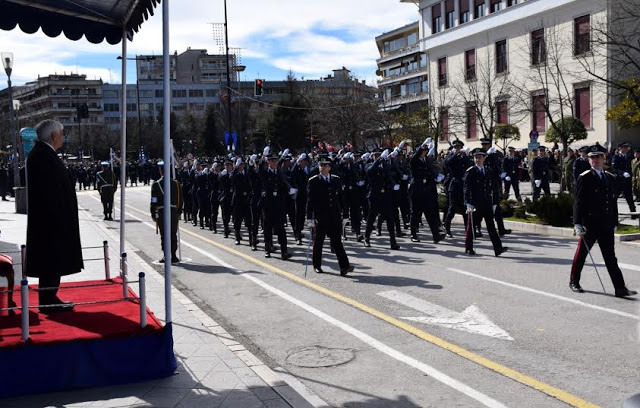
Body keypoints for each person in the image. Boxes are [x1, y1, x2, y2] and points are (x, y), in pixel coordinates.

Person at [26, 119, 83, 313]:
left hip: (52, 219)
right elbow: (49, 190)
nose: (62, 138)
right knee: (50, 261)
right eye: (61, 134)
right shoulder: (42, 156)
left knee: (53, 261)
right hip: (50, 221)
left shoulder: (44, 154)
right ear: (53, 136)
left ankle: (50, 297)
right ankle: (48, 300)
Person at [570, 145, 637, 298]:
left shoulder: (610, 177)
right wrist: (577, 223)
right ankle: (574, 281)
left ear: (604, 158)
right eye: (592, 157)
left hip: (606, 224)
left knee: (611, 258)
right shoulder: (584, 177)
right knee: (581, 254)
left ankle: (620, 288)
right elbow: (578, 201)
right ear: (588, 160)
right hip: (589, 224)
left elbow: (612, 202)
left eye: (599, 157)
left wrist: (614, 223)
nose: (596, 160)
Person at [306, 155, 354, 276]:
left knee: (337, 242)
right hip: (320, 217)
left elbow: (341, 199)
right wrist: (310, 219)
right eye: (321, 165)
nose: (323, 167)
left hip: (334, 216)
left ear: (329, 167)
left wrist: (345, 214)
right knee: (319, 242)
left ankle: (344, 266)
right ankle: (317, 265)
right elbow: (310, 202)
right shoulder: (314, 181)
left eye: (325, 165)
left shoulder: (336, 180)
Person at [463, 148, 508, 257]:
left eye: (480, 157)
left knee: (491, 226)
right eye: (476, 157)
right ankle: (469, 248)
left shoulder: (487, 171)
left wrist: (494, 203)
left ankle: (498, 248)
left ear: (484, 158)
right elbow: (466, 189)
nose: (478, 159)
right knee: (471, 227)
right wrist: (468, 203)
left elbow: (492, 188)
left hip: (486, 203)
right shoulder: (471, 171)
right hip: (475, 204)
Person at [150, 161, 182, 264]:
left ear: (160, 171)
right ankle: (173, 255)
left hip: (162, 211)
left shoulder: (156, 184)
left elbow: (154, 200)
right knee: (173, 233)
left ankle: (166, 255)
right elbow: (180, 199)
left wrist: (153, 213)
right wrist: (179, 212)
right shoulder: (175, 183)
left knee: (164, 234)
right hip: (173, 211)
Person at [610, 141, 637, 216]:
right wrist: (622, 173)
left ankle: (633, 213)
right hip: (618, 180)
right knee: (614, 197)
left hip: (627, 180)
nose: (626, 149)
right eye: (624, 147)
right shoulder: (616, 157)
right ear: (620, 148)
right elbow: (614, 168)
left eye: (626, 147)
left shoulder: (629, 156)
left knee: (629, 197)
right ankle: (613, 213)